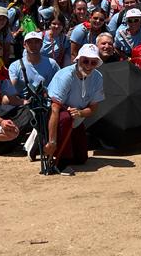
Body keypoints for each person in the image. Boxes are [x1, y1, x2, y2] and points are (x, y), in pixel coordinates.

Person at [45, 43, 105, 173]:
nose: (89, 65)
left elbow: (93, 107)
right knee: (66, 117)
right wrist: (52, 141)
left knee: (81, 159)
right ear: (78, 60)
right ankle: (61, 162)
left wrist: (80, 113)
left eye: (93, 62)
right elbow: (54, 108)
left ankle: (55, 146)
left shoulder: (97, 77)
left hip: (77, 117)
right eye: (85, 61)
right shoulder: (66, 75)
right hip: (55, 115)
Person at [8, 31, 60, 96]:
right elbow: (10, 88)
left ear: (41, 45)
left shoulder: (52, 64)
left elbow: (59, 83)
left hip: (45, 99)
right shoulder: (15, 65)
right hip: (23, 100)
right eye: (29, 42)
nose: (33, 45)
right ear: (24, 45)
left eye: (37, 42)